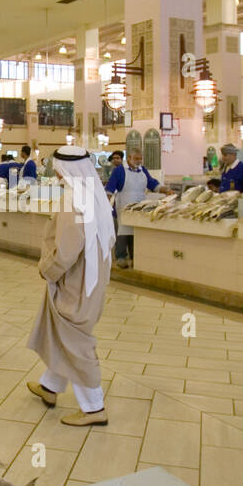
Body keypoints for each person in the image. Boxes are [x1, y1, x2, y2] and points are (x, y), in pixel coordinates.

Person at [25, 146, 116, 426]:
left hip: (75, 283)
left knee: (75, 340)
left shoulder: (73, 201)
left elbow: (66, 250)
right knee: (66, 335)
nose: (54, 171)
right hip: (91, 280)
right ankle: (50, 387)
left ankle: (93, 408)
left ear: (65, 169)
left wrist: (47, 270)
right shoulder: (95, 196)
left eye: (56, 166)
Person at [104, 147, 163, 269]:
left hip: (139, 207)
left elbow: (152, 183)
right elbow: (109, 189)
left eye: (140, 158)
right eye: (136, 158)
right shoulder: (119, 171)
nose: (139, 161)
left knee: (136, 233)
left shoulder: (143, 170)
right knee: (123, 232)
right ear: (129, 158)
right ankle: (121, 257)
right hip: (123, 207)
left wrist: (166, 190)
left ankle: (135, 257)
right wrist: (105, 205)